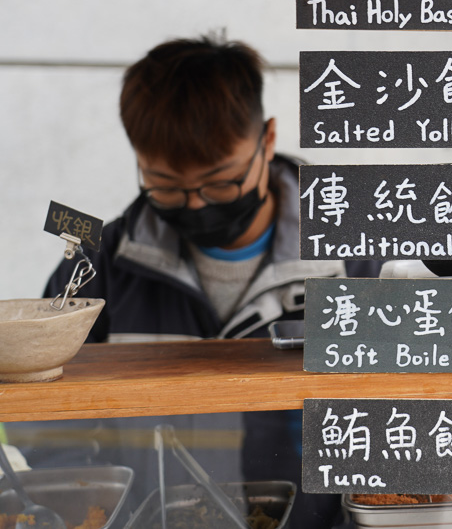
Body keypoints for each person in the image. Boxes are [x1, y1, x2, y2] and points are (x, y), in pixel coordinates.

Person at [42, 35, 378, 527]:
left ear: (267, 139)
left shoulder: (358, 259)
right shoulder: (98, 266)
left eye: (221, 182)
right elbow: (50, 422)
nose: (196, 204)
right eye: (166, 186)